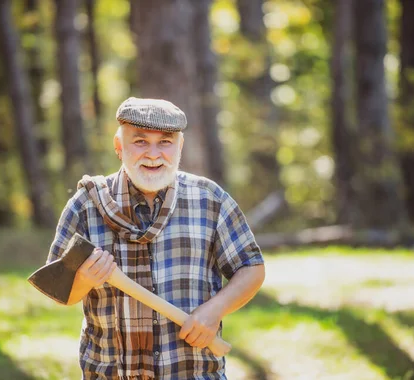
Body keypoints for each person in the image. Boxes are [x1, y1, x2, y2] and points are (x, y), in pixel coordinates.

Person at [46, 97, 265, 379]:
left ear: (180, 146)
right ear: (118, 146)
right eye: (139, 141)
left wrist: (215, 309)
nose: (153, 154)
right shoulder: (86, 205)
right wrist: (84, 280)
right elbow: (59, 293)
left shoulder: (210, 200)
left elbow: (252, 268)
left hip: (193, 372)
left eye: (165, 142)